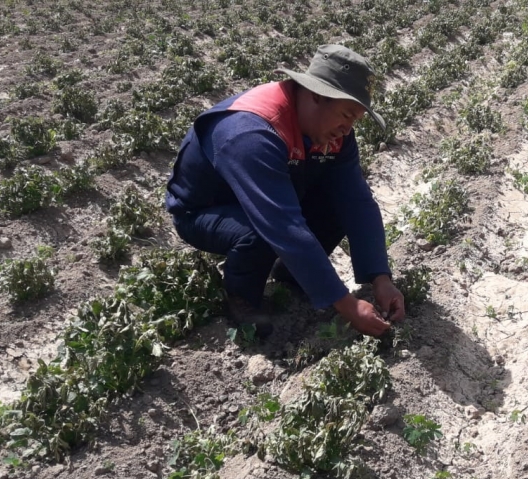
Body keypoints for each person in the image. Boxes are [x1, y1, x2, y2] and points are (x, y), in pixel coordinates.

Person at [165, 44, 405, 338]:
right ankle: (241, 298)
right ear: (317, 95)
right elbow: (282, 224)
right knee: (261, 234)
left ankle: (292, 276)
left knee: (338, 203)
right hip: (205, 210)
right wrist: (347, 305)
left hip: (272, 194)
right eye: (346, 115)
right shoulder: (250, 133)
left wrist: (381, 277)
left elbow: (356, 199)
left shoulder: (331, 129)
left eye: (355, 120)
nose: (347, 128)